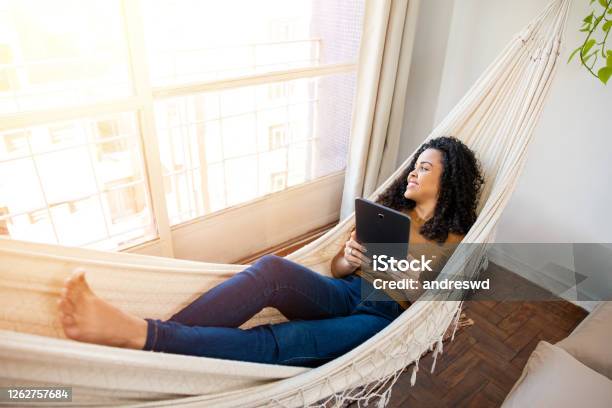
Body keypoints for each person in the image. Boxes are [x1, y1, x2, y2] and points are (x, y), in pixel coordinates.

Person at [57, 136, 484, 367]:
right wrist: (350, 259)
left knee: (285, 339)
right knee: (269, 270)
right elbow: (336, 269)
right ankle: (154, 342)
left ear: (449, 181)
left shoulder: (459, 241)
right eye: (415, 164)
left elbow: (431, 306)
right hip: (351, 292)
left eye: (425, 167)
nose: (413, 171)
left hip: (383, 317)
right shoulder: (389, 212)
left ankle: (143, 337)